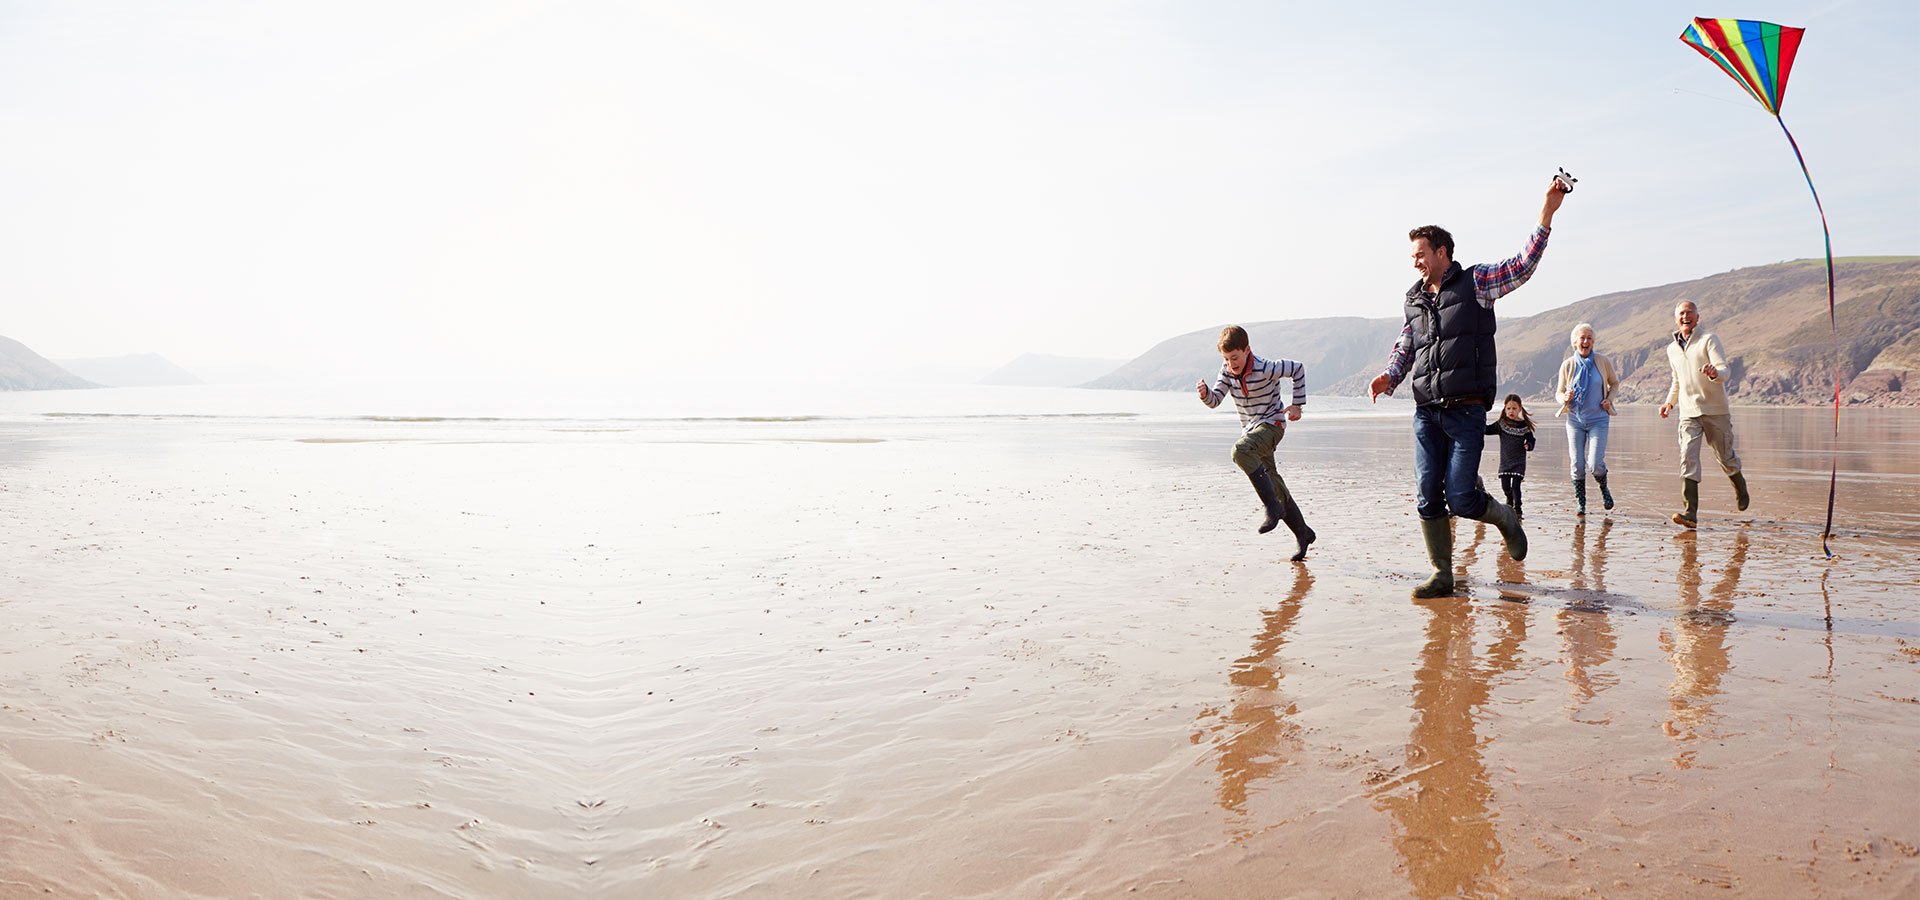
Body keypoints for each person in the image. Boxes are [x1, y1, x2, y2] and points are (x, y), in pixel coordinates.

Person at [1368, 177, 1569, 598]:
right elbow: (1407, 344)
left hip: (1466, 411)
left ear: (1442, 253)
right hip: (1426, 412)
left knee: (1460, 497)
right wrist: (1390, 376)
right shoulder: (1414, 299)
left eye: (1420, 255)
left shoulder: (1476, 282)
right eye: (1412, 256)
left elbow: (1522, 266)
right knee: (1427, 495)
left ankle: (1505, 519)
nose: (1415, 263)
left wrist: (1546, 213)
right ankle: (1443, 574)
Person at [1198, 325, 1316, 560]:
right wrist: (1204, 394)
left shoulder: (1266, 368)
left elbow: (1298, 369)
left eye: (1235, 357)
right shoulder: (1227, 371)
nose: (1231, 363)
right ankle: (1303, 532)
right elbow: (1215, 400)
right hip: (1252, 431)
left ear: (1247, 350)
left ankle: (1272, 508)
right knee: (1273, 483)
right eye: (1226, 359)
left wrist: (1297, 406)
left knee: (1239, 451)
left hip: (1273, 425)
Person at [1659, 300, 1748, 528]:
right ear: (1676, 318)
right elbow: (1677, 380)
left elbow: (1725, 371)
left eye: (1690, 313)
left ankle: (1739, 485)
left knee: (1725, 458)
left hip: (1715, 410)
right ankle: (1690, 513)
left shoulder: (1709, 339)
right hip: (1688, 412)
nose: (1685, 316)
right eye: (1681, 313)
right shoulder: (1672, 349)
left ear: (1697, 317)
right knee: (1687, 456)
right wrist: (1669, 403)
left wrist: (1713, 372)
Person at [1553, 322, 1619, 516]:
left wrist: (1609, 400)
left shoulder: (1602, 361)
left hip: (1598, 419)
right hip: (1574, 420)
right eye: (1582, 338)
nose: (1586, 341)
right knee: (1576, 463)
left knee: (1595, 463)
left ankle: (1603, 488)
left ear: (1593, 342)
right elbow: (1558, 392)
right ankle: (1581, 503)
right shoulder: (1567, 365)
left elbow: (1614, 383)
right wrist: (1563, 398)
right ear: (1575, 342)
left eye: (1589, 338)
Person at [1484, 394, 1537, 519]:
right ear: (1504, 409)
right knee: (1506, 487)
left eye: (1514, 408)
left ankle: (1518, 508)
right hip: (1505, 462)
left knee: (1516, 487)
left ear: (1520, 409)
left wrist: (1528, 445)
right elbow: (1486, 430)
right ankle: (1509, 498)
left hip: (1518, 461)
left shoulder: (1524, 426)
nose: (1511, 411)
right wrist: (1478, 419)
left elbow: (1531, 439)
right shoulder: (1501, 424)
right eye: (1508, 408)